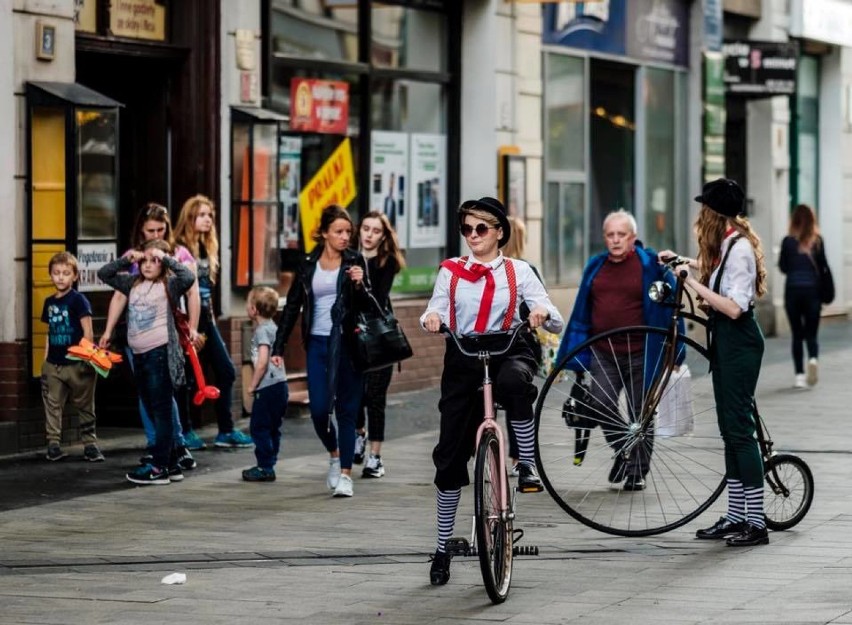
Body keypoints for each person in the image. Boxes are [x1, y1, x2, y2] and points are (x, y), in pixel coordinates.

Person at [421, 196, 563, 586]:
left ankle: (526, 463)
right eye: (466, 229)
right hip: (464, 353)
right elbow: (435, 310)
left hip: (508, 347)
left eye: (481, 228)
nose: (473, 236)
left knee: (515, 382)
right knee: (449, 457)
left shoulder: (519, 271)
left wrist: (540, 313)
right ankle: (441, 547)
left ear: (500, 232)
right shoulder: (450, 271)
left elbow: (554, 319)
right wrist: (432, 318)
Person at [659, 177, 769, 547]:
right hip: (725, 341)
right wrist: (680, 260)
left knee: (740, 430)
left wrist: (691, 283)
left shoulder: (738, 249)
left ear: (712, 213)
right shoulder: (725, 244)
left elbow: (734, 307)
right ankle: (736, 516)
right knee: (729, 431)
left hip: (739, 341)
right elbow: (711, 270)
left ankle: (756, 522)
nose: (698, 214)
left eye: (702, 208)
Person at [556, 209, 680, 491]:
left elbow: (672, 311)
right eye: (610, 235)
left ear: (632, 237)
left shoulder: (651, 265)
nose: (615, 240)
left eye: (621, 235)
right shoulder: (596, 265)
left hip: (641, 353)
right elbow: (581, 310)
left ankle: (636, 471)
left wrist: (676, 353)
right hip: (603, 351)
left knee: (640, 414)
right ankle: (624, 448)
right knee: (599, 403)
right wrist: (573, 351)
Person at [271, 204, 367, 498]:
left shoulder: (354, 261)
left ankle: (347, 475)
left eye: (348, 232)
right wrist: (279, 345)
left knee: (348, 411)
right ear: (324, 233)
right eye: (338, 232)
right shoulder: (308, 263)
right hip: (317, 343)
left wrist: (360, 284)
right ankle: (335, 454)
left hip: (348, 344)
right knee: (319, 410)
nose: (344, 237)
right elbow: (292, 306)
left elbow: (368, 305)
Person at [99, 203, 199, 471]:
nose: (147, 265)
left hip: (159, 352)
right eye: (145, 260)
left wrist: (163, 257)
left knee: (163, 405)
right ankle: (168, 462)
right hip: (139, 354)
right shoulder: (132, 282)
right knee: (150, 403)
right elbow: (104, 274)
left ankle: (162, 464)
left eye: (153, 261)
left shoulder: (169, 283)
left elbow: (188, 278)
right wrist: (128, 259)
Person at [174, 194, 252, 449]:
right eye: (202, 215)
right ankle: (184, 430)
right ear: (190, 217)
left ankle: (225, 430)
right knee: (185, 376)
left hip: (206, 318)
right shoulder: (178, 248)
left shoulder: (208, 248)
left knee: (226, 371)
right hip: (184, 320)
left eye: (210, 215)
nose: (208, 220)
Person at [352, 210, 405, 478]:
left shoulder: (387, 263)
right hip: (353, 336)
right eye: (366, 229)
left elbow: (378, 301)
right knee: (355, 395)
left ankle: (375, 457)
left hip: (379, 339)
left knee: (375, 398)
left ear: (383, 236)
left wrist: (361, 283)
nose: (369, 235)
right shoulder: (349, 258)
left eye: (375, 231)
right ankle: (359, 435)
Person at [41, 252, 103, 462]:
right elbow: (50, 332)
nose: (60, 277)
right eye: (56, 273)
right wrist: (45, 361)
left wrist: (87, 358)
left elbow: (88, 331)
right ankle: (53, 444)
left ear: (75, 276)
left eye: (66, 273)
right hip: (55, 364)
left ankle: (90, 444)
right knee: (53, 404)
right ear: (50, 275)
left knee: (85, 404)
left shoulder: (79, 300)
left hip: (77, 362)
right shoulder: (49, 303)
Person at [500, 215, 544, 476]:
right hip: (526, 340)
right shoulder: (528, 267)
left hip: (515, 341)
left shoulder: (522, 270)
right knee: (515, 396)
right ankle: (519, 459)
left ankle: (519, 457)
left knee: (508, 393)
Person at [242, 286, 289, 483]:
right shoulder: (274, 328)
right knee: (273, 427)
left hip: (267, 387)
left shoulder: (262, 332)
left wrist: (252, 385)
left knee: (259, 427)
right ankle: (269, 462)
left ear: (253, 310)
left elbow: (262, 362)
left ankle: (265, 466)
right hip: (281, 385)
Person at [778, 204, 824, 389]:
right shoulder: (818, 241)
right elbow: (823, 267)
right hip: (813, 292)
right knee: (811, 334)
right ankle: (812, 359)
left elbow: (783, 267)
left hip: (793, 292)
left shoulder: (788, 241)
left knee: (797, 334)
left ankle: (799, 376)